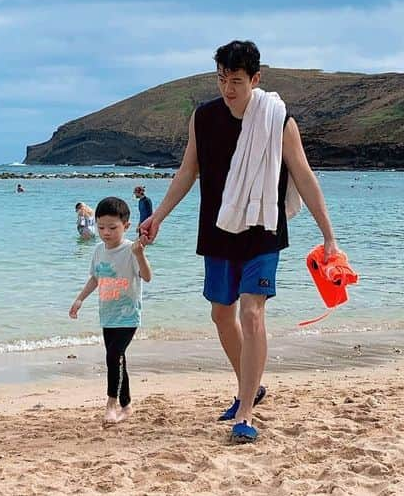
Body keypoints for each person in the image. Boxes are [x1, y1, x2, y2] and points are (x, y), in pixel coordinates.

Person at [138, 40, 342, 443]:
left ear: (255, 79)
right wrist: (157, 217)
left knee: (251, 313)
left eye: (235, 80)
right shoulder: (203, 118)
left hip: (262, 229)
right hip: (217, 229)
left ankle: (245, 411)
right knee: (221, 315)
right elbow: (187, 172)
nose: (227, 89)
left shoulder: (277, 119)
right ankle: (252, 385)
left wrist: (328, 235)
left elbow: (302, 174)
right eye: (221, 79)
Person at [69, 196, 153, 424]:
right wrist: (79, 300)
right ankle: (127, 406)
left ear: (126, 226)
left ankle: (111, 406)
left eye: (113, 228)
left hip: (128, 315)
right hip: (107, 315)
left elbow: (147, 277)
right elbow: (95, 278)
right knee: (118, 359)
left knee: (113, 357)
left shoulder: (130, 250)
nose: (106, 232)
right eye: (101, 227)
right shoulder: (98, 250)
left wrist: (140, 254)